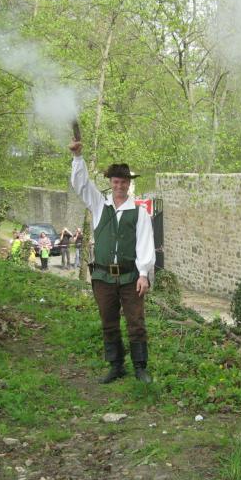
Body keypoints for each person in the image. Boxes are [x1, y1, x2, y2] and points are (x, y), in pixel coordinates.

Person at [69, 139, 155, 384]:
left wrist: (143, 274)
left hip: (130, 277)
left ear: (129, 184)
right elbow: (81, 184)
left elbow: (145, 243)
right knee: (108, 322)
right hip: (103, 276)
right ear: (111, 183)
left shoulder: (139, 212)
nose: (119, 186)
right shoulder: (99, 205)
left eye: (124, 182)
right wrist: (78, 157)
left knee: (136, 322)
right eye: (116, 182)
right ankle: (116, 366)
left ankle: (140, 368)